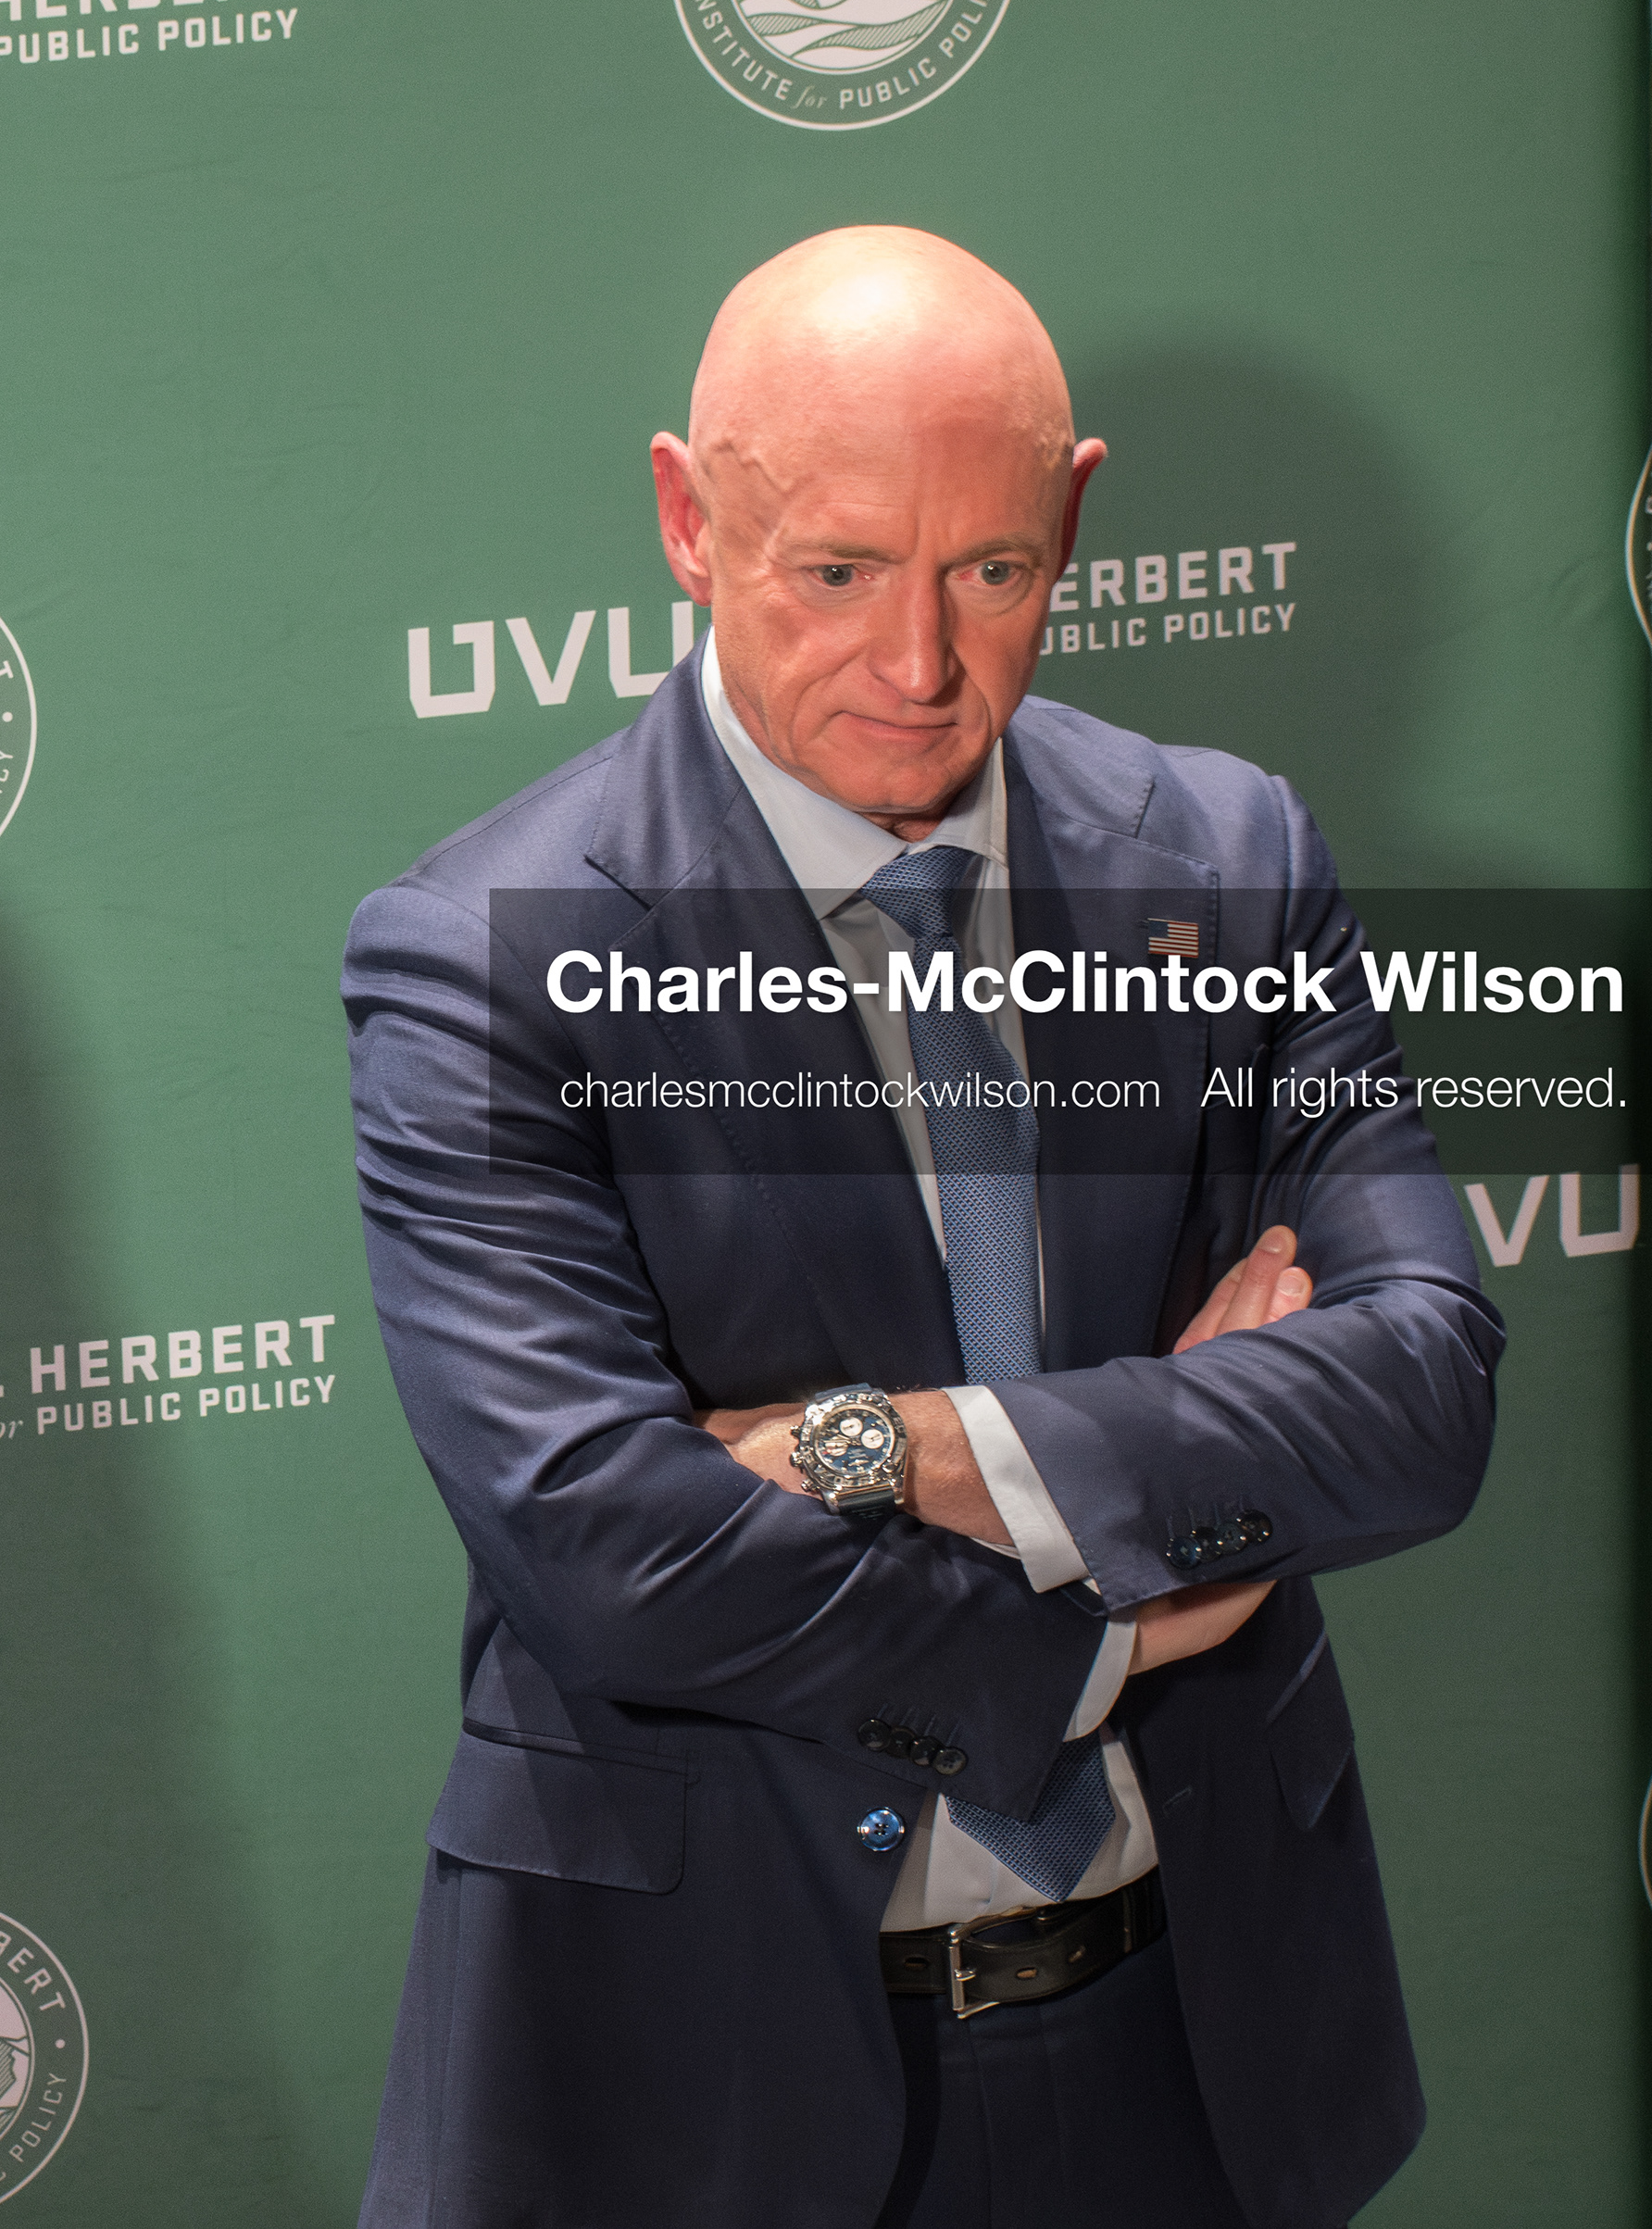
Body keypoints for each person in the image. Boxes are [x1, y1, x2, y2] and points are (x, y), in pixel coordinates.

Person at [343, 227, 1498, 2229]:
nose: (920, 666)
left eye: (996, 571)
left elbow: (1423, 1386)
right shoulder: (484, 958)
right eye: (838, 572)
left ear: (1075, 517)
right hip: (704, 2090)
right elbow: (613, 1550)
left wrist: (923, 1449)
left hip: (1201, 2046)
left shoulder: (1229, 855)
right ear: (688, 522)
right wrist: (1125, 1599)